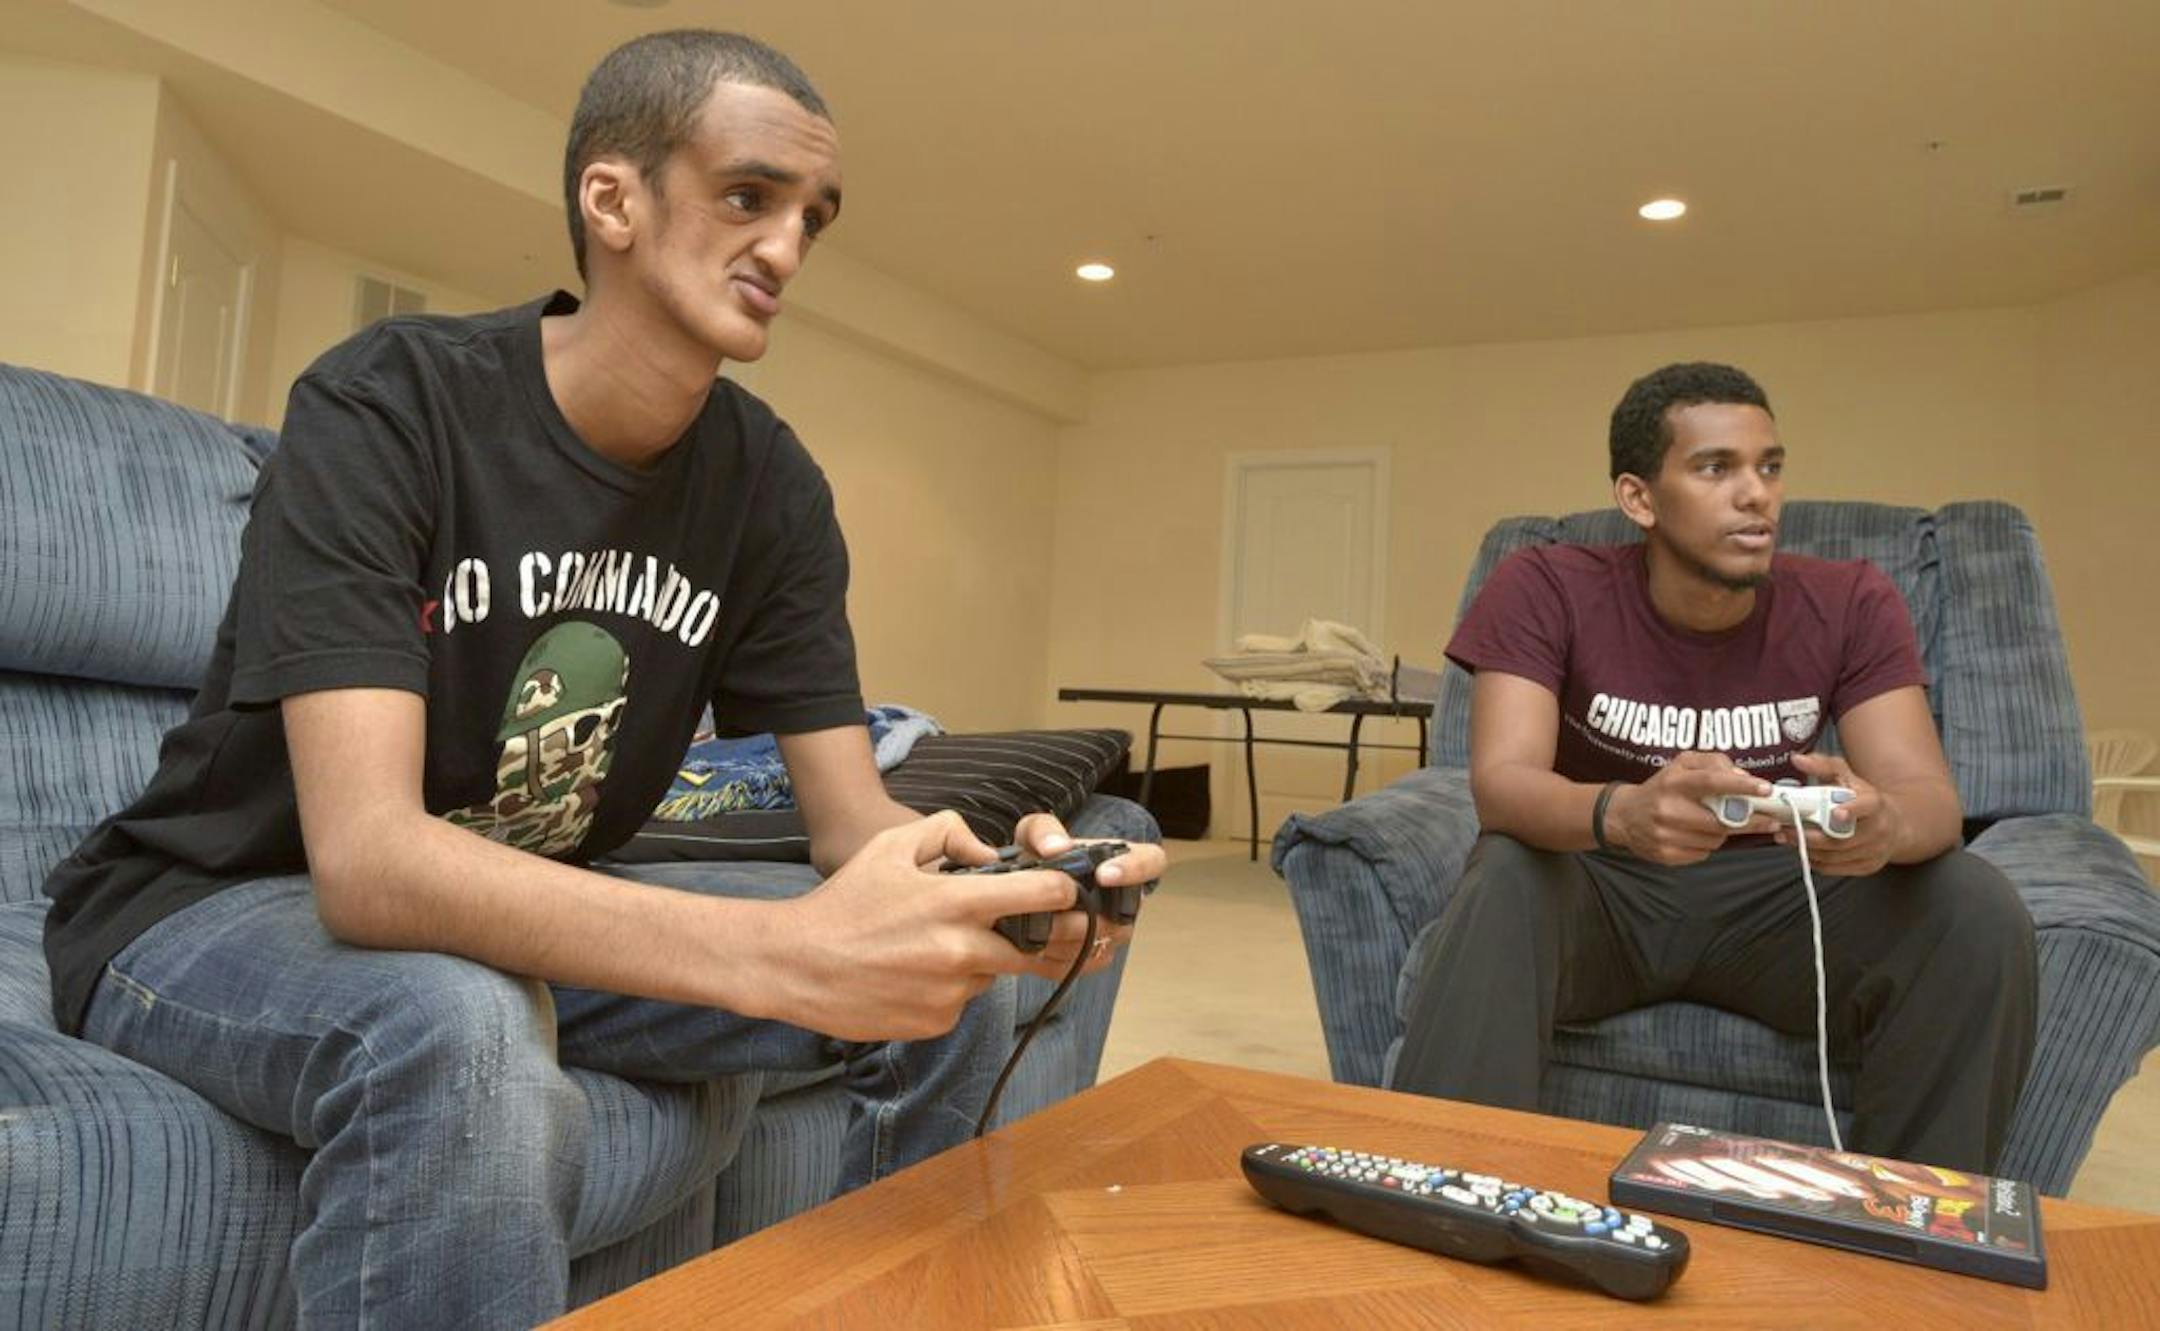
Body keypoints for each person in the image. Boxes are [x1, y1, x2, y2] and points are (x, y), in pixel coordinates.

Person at [40, 29, 1164, 1328]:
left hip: (521, 903)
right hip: (219, 905)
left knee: (945, 974)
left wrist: (992, 887)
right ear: (613, 199)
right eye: (749, 196)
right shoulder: (389, 402)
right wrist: (780, 951)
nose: (787, 248)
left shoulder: (768, 484)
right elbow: (368, 861)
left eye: (813, 217)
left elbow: (852, 821)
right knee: (462, 1029)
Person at [1390, 361, 2034, 1174]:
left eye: (1769, 466)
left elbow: (1930, 798)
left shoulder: (1851, 600)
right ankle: (1440, 1194)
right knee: (1507, 871)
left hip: (1780, 899)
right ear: (1639, 498)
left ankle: (1911, 1220)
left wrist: (1884, 824)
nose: (1756, 494)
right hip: (1602, 888)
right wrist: (1622, 812)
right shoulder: (1545, 584)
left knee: (1973, 903)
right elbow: (1503, 784)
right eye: (1715, 468)